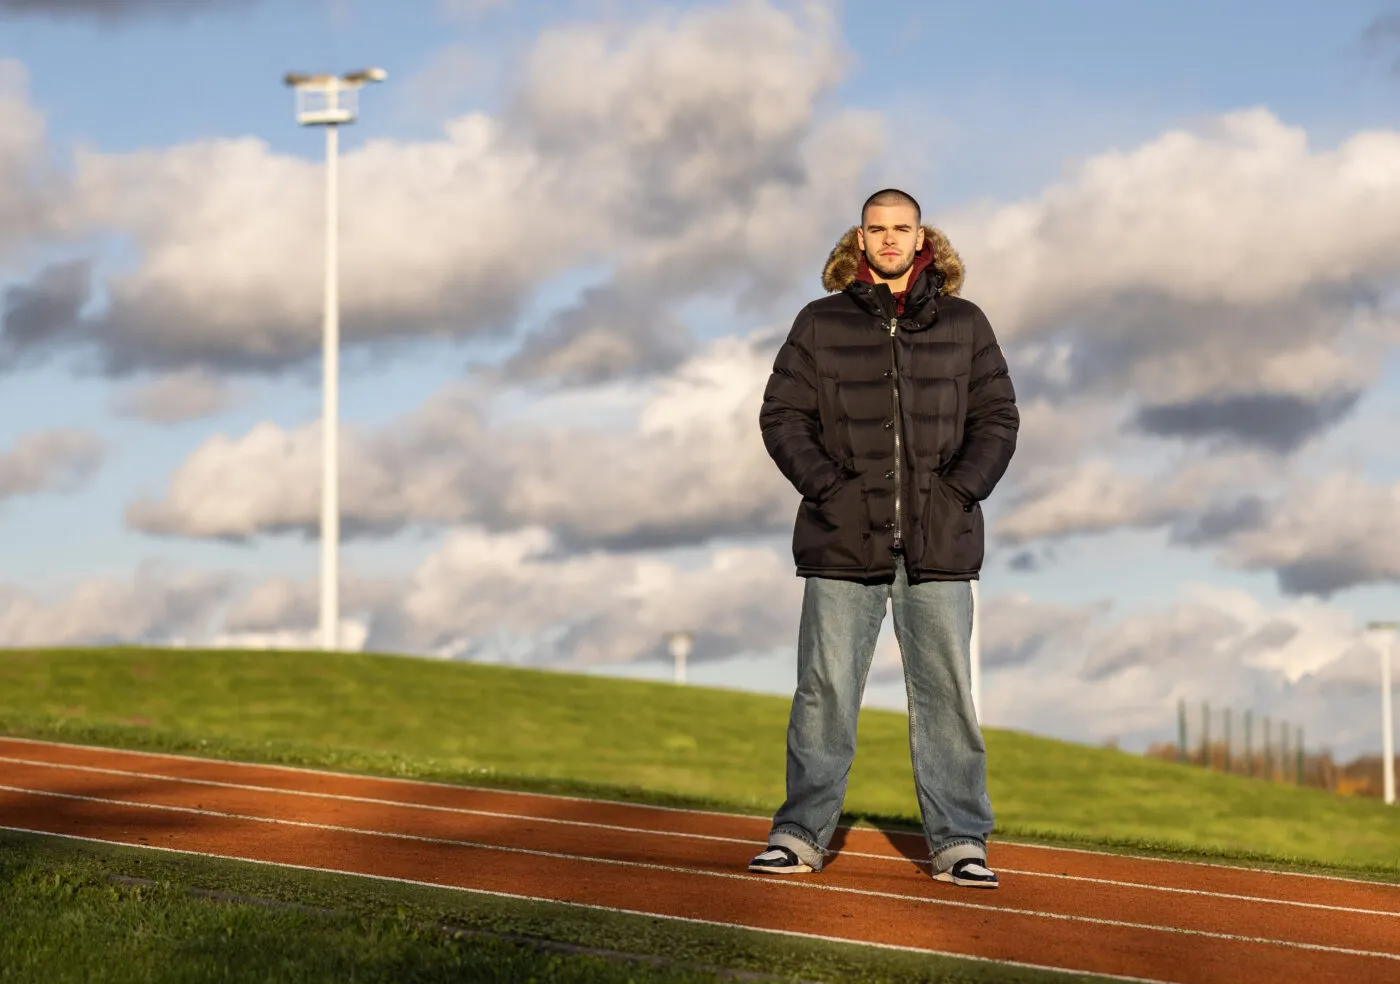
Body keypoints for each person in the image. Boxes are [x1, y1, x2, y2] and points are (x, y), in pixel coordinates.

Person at [749, 188, 1018, 889]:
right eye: (878, 229)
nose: (890, 239)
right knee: (825, 692)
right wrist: (832, 492)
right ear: (860, 236)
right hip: (843, 540)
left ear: (920, 234)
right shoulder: (819, 322)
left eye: (902, 228)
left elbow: (998, 417)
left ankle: (960, 841)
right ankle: (799, 834)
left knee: (947, 697)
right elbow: (782, 417)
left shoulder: (965, 323)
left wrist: (957, 492)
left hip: (940, 546)